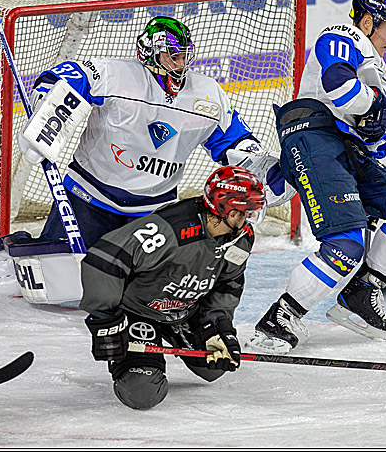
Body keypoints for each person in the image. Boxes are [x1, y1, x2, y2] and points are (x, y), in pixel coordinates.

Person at [245, 0, 386, 355]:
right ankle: (280, 319)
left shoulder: (377, 68)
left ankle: (362, 293)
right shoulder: (342, 36)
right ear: (367, 22)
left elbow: (376, 144)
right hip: (315, 138)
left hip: (347, 152)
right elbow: (339, 86)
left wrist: (374, 128)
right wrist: (374, 107)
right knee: (346, 244)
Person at [16, 11, 289, 251]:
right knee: (57, 269)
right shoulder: (115, 75)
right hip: (88, 197)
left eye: (183, 57)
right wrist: (47, 114)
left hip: (154, 211)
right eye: (173, 56)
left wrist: (268, 173)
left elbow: (234, 142)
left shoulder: (207, 95)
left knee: (148, 284)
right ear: (150, 53)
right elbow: (67, 76)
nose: (180, 64)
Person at [80, 165, 264, 410]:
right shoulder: (170, 228)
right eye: (245, 212)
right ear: (225, 209)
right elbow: (105, 259)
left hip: (184, 310)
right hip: (138, 311)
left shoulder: (241, 238)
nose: (248, 219)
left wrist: (217, 326)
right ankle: (134, 358)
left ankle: (176, 334)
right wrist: (106, 320)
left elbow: (228, 283)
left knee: (213, 368)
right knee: (142, 393)